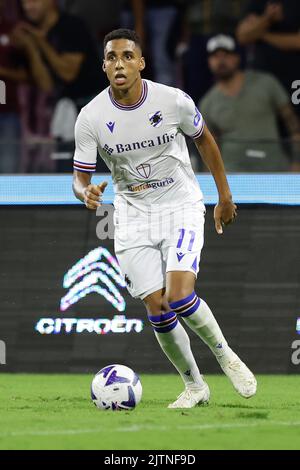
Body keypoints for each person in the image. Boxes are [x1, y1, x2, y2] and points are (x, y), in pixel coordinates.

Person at [72, 28, 257, 408]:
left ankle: (225, 355)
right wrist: (84, 192)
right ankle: (194, 386)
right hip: (132, 215)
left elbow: (204, 139)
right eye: (111, 57)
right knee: (156, 307)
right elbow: (80, 178)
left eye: (126, 56)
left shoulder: (172, 101)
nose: (118, 63)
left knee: (179, 295)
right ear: (104, 66)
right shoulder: (90, 117)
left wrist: (225, 195)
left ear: (141, 62)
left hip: (180, 206)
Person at [200, 34, 300, 172]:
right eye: (215, 56)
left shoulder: (266, 83)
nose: (221, 60)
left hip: (274, 169)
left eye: (226, 55)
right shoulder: (207, 103)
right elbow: (208, 147)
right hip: (233, 175)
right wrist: (212, 180)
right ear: (209, 62)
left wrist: (297, 162)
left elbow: (292, 124)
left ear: (237, 58)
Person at [236, 0, 300, 100]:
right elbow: (242, 36)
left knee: (294, 113)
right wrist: (267, 18)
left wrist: (261, 34)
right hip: (263, 74)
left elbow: (297, 43)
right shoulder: (258, 3)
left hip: (294, 76)